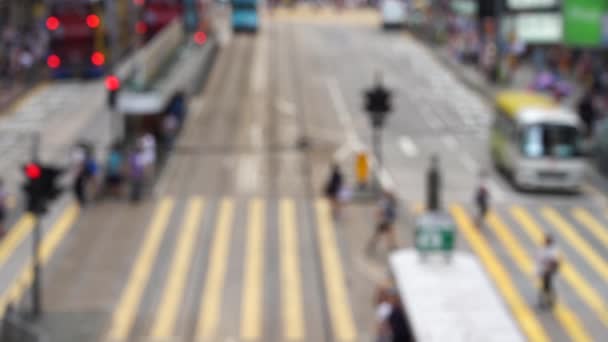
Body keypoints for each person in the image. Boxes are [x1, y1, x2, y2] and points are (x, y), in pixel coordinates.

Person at [537, 234, 560, 309]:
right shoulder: (545, 249)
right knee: (546, 286)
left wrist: (549, 269)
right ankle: (547, 301)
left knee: (547, 286)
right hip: (545, 270)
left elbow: (555, 262)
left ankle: (549, 301)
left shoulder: (552, 251)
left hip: (549, 271)